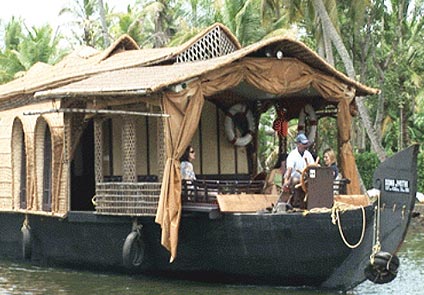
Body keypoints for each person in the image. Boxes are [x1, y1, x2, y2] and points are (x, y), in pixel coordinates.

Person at [283, 133, 315, 208]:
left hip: (306, 179)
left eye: (306, 144)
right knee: (295, 180)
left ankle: (312, 203)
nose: (305, 146)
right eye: (303, 144)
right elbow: (289, 169)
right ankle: (295, 203)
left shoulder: (308, 154)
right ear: (298, 144)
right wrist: (286, 182)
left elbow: (313, 167)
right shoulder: (292, 155)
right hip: (294, 180)